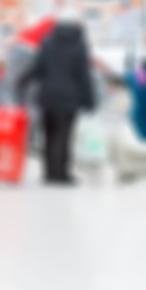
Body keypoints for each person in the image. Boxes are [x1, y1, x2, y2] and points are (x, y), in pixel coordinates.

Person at [16, 11, 95, 185]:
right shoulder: (80, 44)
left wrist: (21, 81)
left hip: (47, 96)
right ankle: (61, 174)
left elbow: (38, 67)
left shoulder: (48, 41)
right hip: (69, 98)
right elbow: (83, 75)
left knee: (48, 135)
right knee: (63, 137)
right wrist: (89, 100)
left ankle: (49, 173)